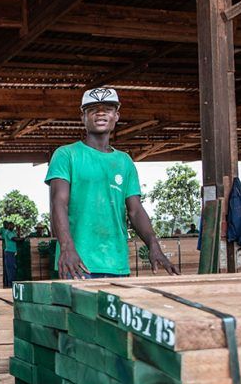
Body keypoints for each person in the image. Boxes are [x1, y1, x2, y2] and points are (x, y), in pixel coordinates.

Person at [46, 87, 177, 279]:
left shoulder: (124, 162)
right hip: (76, 263)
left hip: (117, 263)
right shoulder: (66, 155)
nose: (100, 113)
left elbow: (135, 210)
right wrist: (66, 247)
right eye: (92, 109)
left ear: (116, 116)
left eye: (107, 109)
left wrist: (153, 244)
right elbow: (58, 203)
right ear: (83, 117)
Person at [0, 220, 19, 287]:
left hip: (12, 251)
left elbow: (17, 237)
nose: (5, 225)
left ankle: (11, 283)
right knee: (9, 268)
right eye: (5, 224)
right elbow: (14, 239)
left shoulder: (12, 232)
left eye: (13, 225)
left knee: (12, 267)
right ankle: (9, 284)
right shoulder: (6, 232)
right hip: (7, 250)